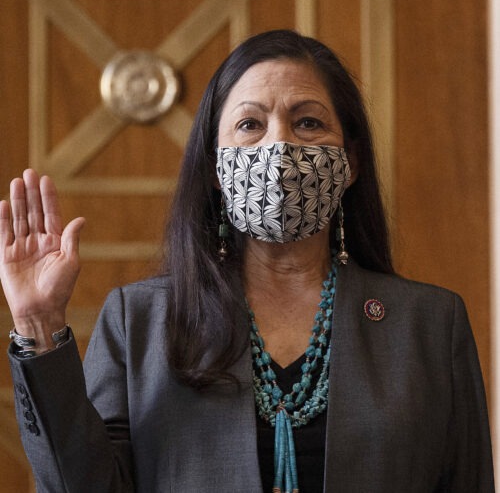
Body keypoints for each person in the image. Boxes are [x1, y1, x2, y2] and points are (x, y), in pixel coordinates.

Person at [0, 29, 494, 492]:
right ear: (216, 168)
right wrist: (37, 323)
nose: (279, 145)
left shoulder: (429, 324)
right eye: (249, 124)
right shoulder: (141, 321)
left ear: (351, 164)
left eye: (308, 122)